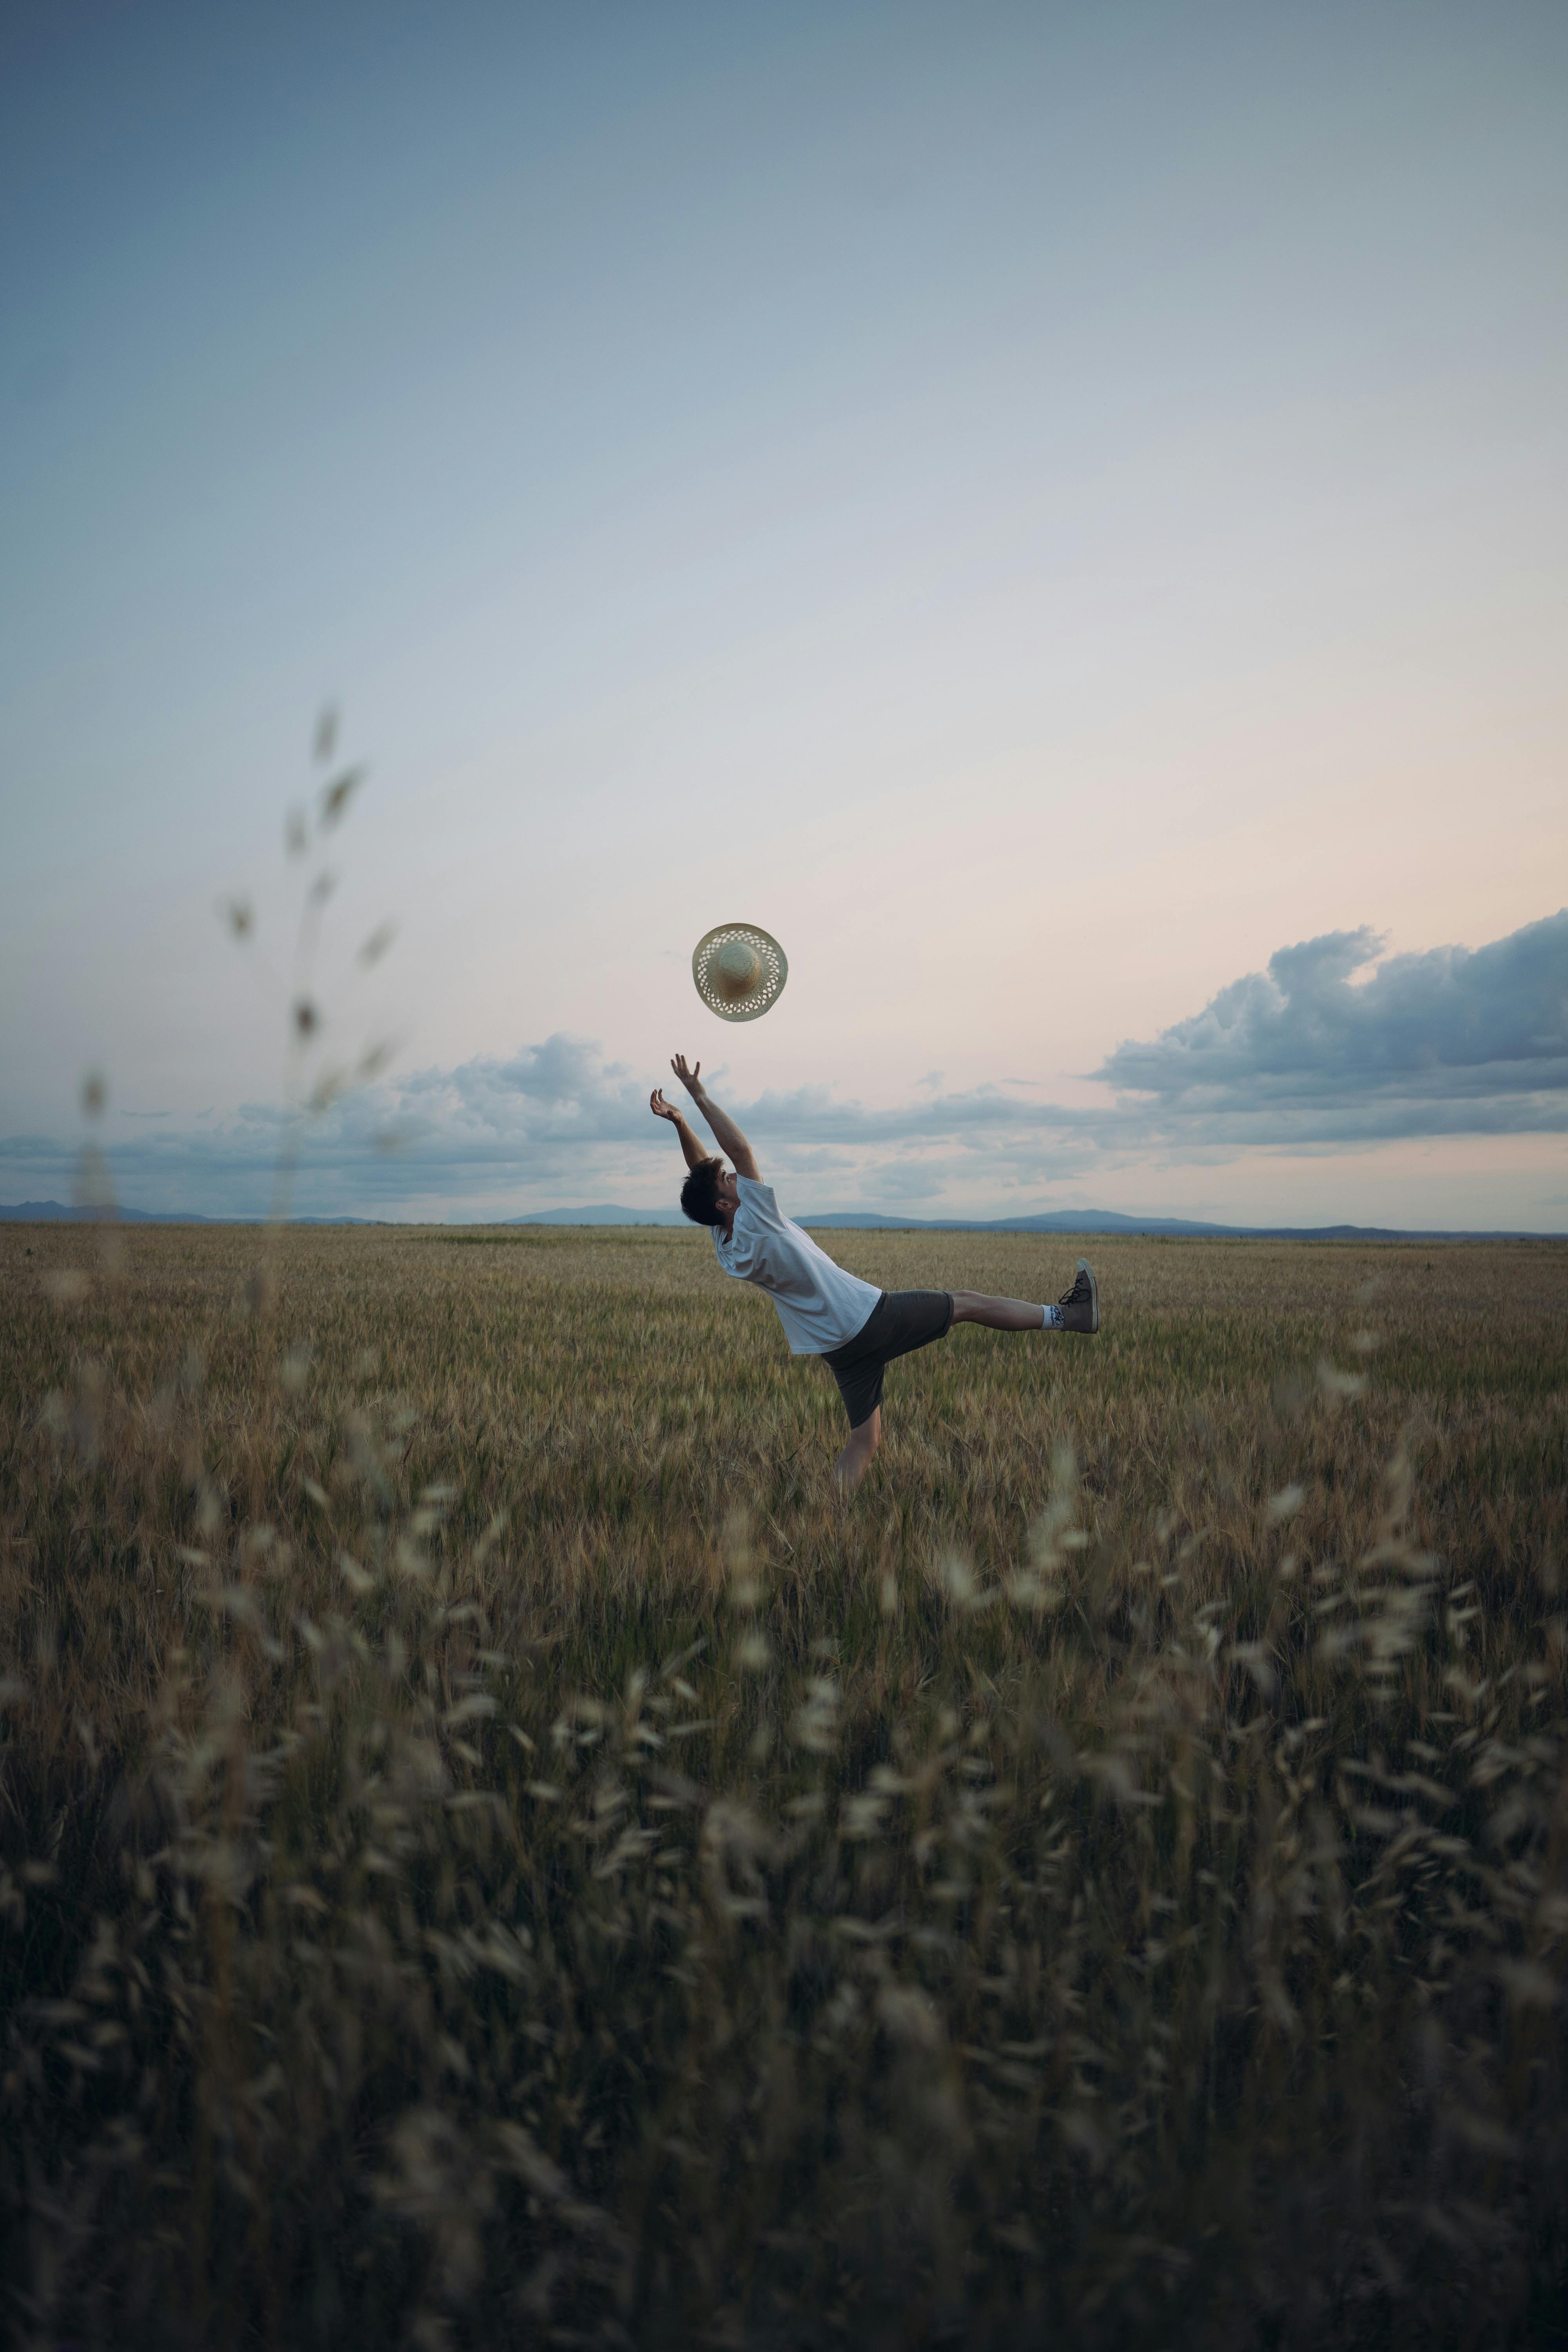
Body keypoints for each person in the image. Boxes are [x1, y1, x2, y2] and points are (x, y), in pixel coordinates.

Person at [650, 1054, 1099, 1490]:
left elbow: (701, 1173)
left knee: (865, 1440)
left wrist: (680, 1123)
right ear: (727, 1204)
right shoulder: (756, 1217)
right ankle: (1069, 1318)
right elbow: (739, 1149)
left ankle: (833, 1520)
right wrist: (698, 1093)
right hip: (866, 1317)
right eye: (728, 1181)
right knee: (967, 1303)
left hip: (835, 1347)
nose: (734, 1177)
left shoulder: (726, 1242)